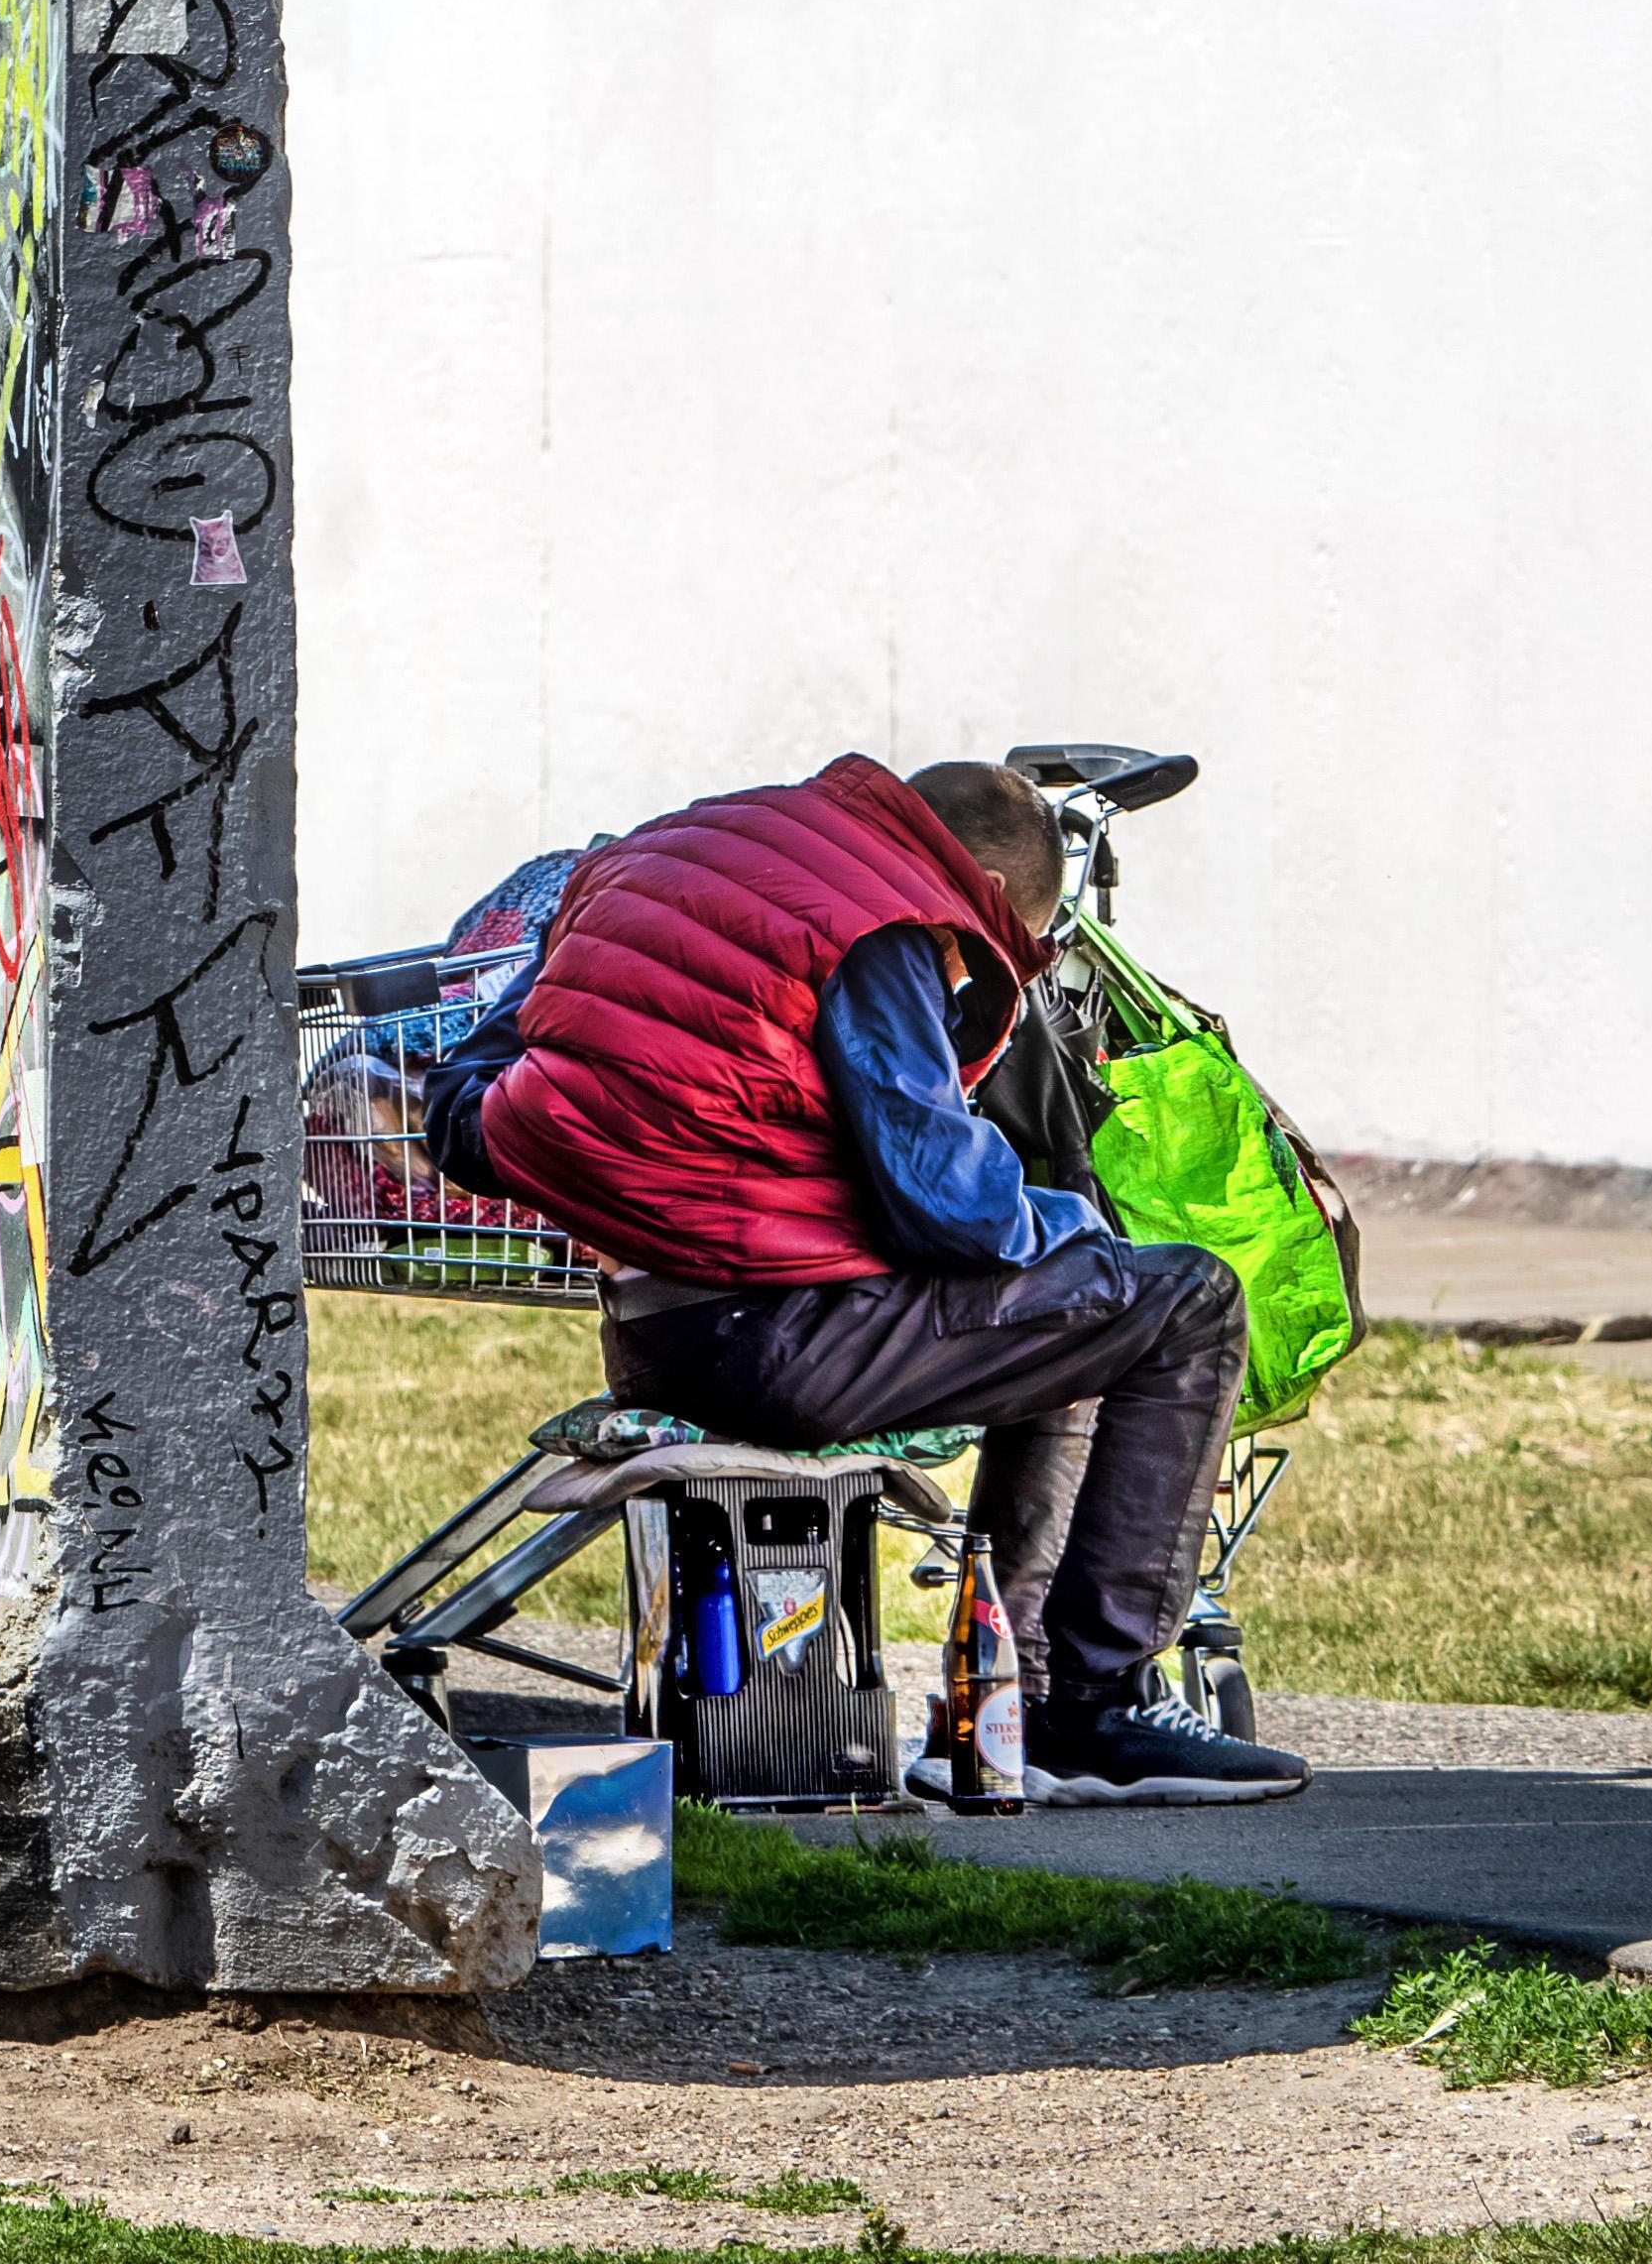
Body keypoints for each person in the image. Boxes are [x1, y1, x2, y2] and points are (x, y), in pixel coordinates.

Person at [425, 750, 1303, 1799]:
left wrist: (629, 1174)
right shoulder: (882, 923)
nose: (980, 974)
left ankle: (1014, 1690)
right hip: (788, 1339)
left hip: (656, 1336)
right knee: (1184, 1298)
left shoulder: (648, 858)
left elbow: (462, 1113)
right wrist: (1071, 1222)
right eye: (996, 952)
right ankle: (1094, 1707)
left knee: (1066, 1312)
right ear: (980, 898)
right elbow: (950, 1206)